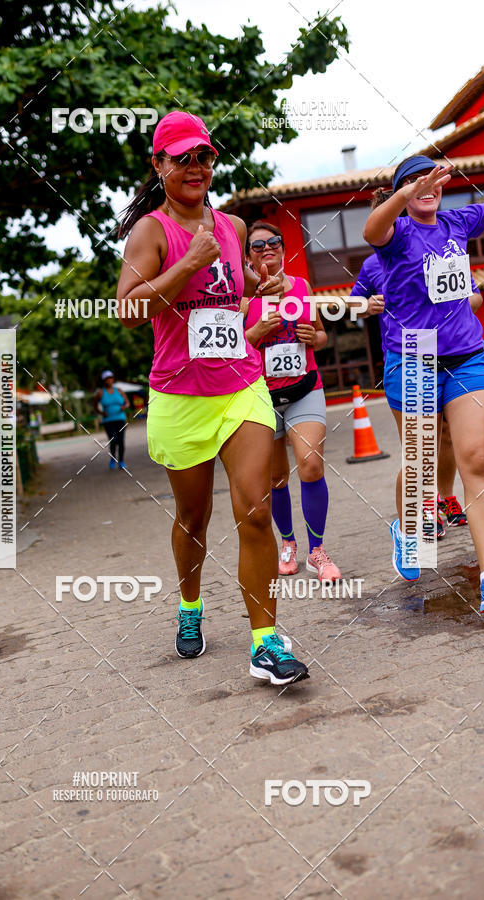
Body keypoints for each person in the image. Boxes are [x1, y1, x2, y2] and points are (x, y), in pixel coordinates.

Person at [116, 110, 308, 684]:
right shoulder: (151, 232)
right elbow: (128, 309)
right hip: (179, 393)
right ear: (160, 165)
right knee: (193, 518)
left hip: (241, 384)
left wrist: (261, 287)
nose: (196, 167)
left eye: (203, 156)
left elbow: (231, 285)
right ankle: (191, 606)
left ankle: (266, 643)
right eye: (183, 158)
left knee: (255, 507)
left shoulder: (233, 227)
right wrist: (186, 264)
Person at [363, 154, 484, 612]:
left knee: (478, 458)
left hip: (466, 356)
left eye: (433, 179)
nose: (427, 186)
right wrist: (405, 195)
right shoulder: (396, 233)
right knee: (423, 462)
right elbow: (371, 231)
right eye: (414, 181)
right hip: (415, 358)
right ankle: (407, 528)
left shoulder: (459, 222)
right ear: (402, 190)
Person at [350, 253, 483, 536]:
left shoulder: (443, 254)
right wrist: (367, 305)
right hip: (411, 353)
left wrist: (446, 302)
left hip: (454, 351)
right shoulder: (374, 264)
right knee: (420, 441)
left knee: (446, 434)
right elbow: (353, 305)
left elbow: (476, 298)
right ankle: (424, 504)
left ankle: (445, 497)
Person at [242, 221, 342, 582]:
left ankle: (317, 550)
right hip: (261, 398)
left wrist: (314, 337)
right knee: (276, 477)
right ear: (247, 256)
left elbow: (322, 336)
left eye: (274, 242)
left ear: (283, 248)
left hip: (304, 389)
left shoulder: (301, 287)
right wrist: (256, 332)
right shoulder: (242, 297)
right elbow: (233, 350)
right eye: (258, 246)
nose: (267, 248)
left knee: (311, 465)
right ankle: (288, 542)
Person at [93, 370, 129, 470]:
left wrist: (124, 407)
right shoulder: (100, 393)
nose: (109, 380)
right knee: (113, 439)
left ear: (113, 379)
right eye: (107, 379)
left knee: (121, 441)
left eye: (110, 378)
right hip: (108, 421)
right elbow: (95, 406)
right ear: (104, 381)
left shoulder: (119, 391)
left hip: (120, 419)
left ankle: (121, 461)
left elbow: (127, 403)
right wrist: (101, 413)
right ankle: (113, 459)